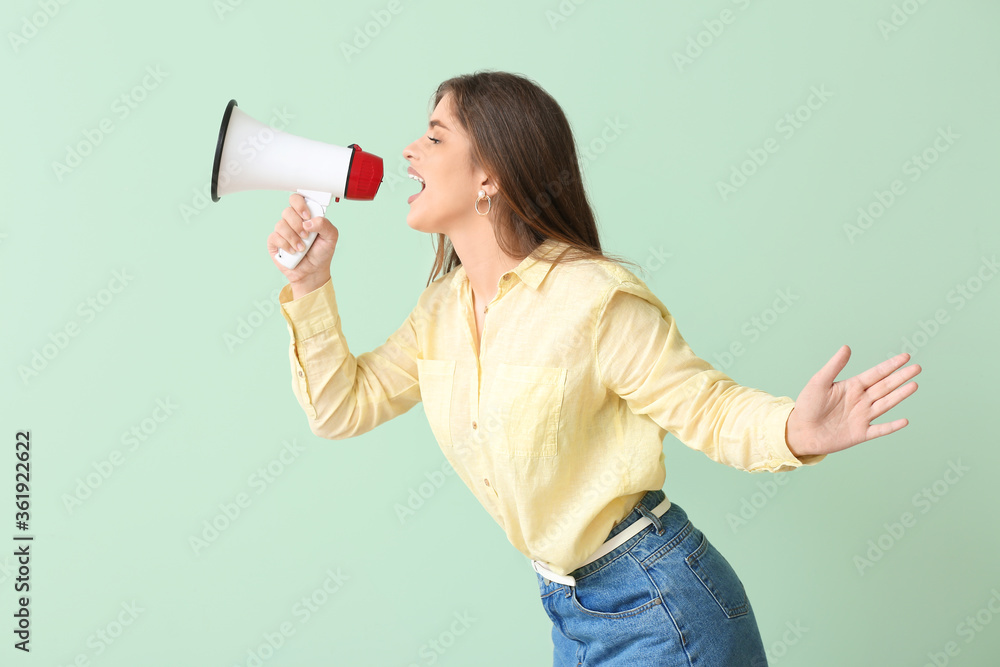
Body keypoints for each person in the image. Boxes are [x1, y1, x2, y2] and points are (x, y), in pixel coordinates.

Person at [267, 71, 921, 666]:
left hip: (662, 608)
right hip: (572, 614)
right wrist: (309, 282)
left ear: (489, 174)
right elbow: (340, 407)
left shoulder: (593, 298)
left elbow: (710, 407)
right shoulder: (440, 310)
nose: (409, 150)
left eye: (434, 137)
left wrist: (793, 432)